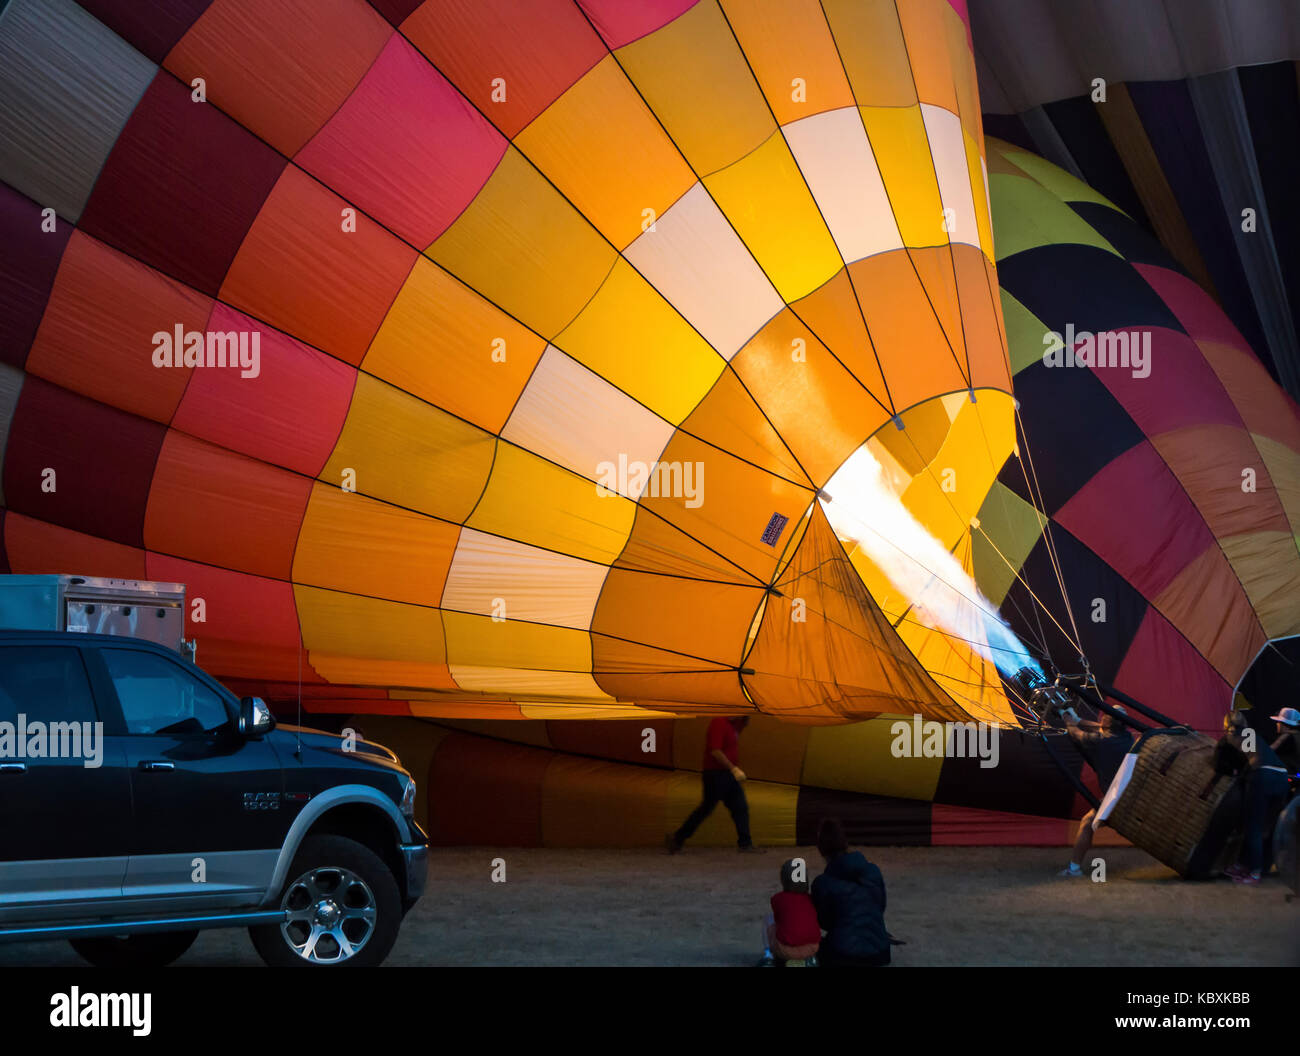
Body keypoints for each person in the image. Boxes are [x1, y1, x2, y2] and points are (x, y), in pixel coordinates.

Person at [1059, 705, 1134, 877]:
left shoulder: (1102, 743)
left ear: (1108, 722)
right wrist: (1078, 720)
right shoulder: (1125, 737)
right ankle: (1074, 868)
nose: (1103, 717)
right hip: (1124, 794)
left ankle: (1074, 869)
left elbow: (1076, 735)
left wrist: (1067, 720)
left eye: (1107, 716)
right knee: (1088, 822)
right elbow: (1100, 727)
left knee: (1086, 824)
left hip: (1115, 799)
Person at [666, 716, 759, 853]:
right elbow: (715, 750)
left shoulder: (735, 724)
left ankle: (745, 843)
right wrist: (733, 768)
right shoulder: (719, 723)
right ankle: (677, 838)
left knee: (740, 807)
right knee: (707, 808)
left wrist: (745, 719)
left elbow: (739, 732)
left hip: (728, 774)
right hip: (716, 774)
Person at [1219, 717, 1291, 885]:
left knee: (1253, 826)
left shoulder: (1231, 737)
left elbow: (1229, 763)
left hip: (1262, 776)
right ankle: (1248, 865)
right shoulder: (1252, 735)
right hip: (1281, 778)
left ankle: (1254, 872)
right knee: (1266, 827)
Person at [810, 818, 890, 967]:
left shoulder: (822, 883)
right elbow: (879, 908)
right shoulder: (873, 871)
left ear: (821, 849)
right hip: (881, 953)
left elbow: (824, 922)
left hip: (843, 955)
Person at [758, 858, 821, 967]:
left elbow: (779, 921)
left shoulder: (778, 899)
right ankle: (809, 960)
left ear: (783, 880)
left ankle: (768, 957)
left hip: (785, 949)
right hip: (812, 948)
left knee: (768, 919)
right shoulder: (811, 899)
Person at [1271, 707, 1300, 775]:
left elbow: (1267, 753)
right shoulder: (1297, 735)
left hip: (1286, 775)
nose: (1277, 724)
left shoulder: (1286, 737)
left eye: (1278, 722)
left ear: (1284, 724)